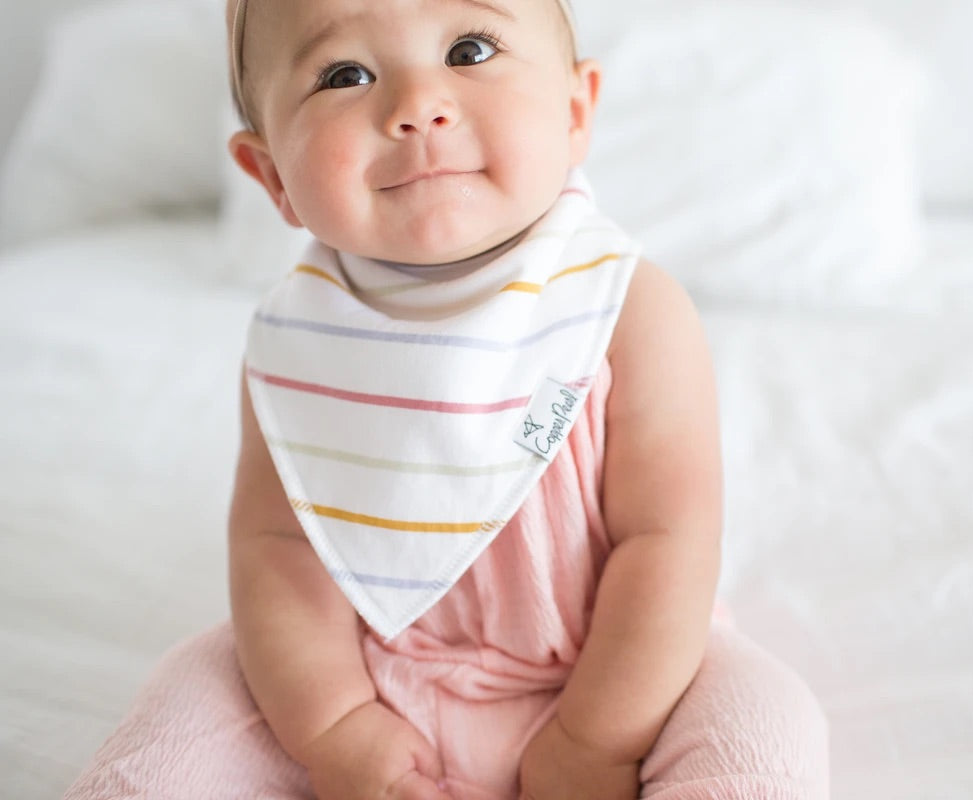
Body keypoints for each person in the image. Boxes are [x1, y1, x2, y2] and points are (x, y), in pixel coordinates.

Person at [63, 0, 829, 797]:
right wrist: (336, 729)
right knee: (186, 702)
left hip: (617, 671)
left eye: (469, 49)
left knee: (768, 720)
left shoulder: (625, 311)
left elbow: (667, 543)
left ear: (573, 112)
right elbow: (277, 553)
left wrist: (595, 740)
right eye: (344, 74)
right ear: (273, 177)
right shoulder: (297, 343)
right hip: (368, 676)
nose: (416, 107)